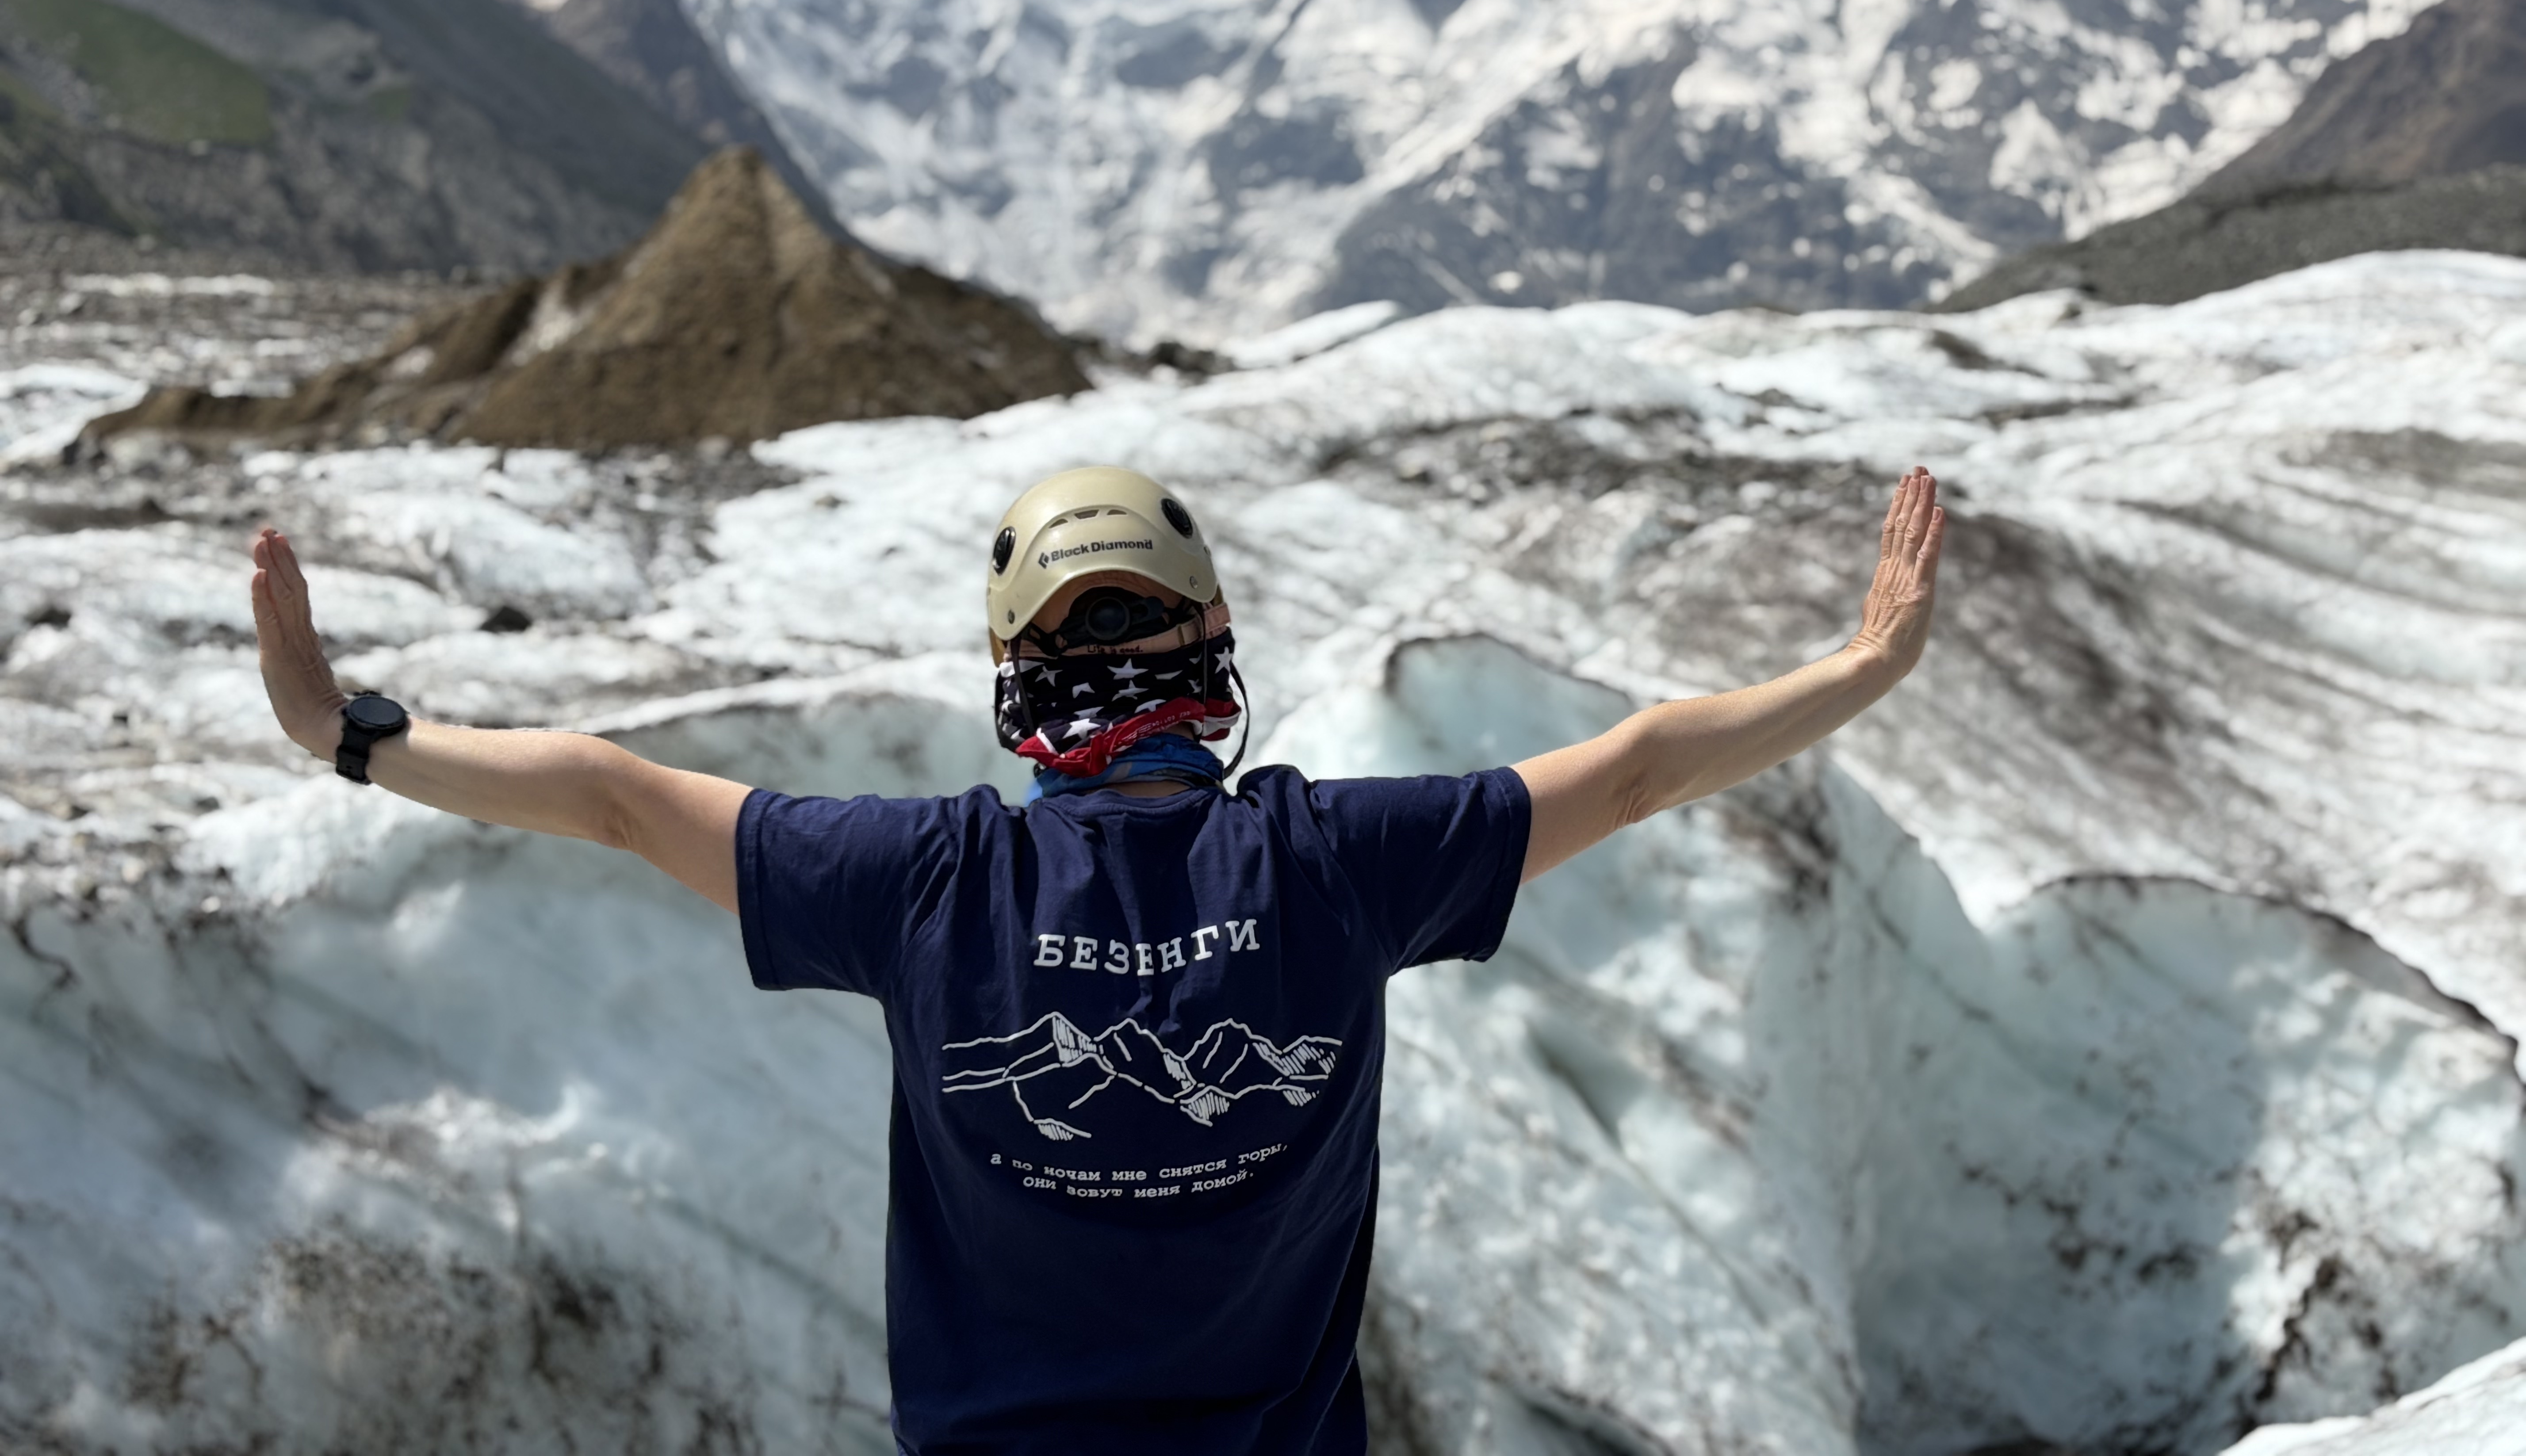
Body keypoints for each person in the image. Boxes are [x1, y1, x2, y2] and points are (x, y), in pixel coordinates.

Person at [249, 462, 1947, 1454]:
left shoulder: (929, 880)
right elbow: (1647, 760)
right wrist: (1861, 670)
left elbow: (617, 799)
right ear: (1211, 646)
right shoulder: (1337, 862)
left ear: (1013, 682)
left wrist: (351, 731)